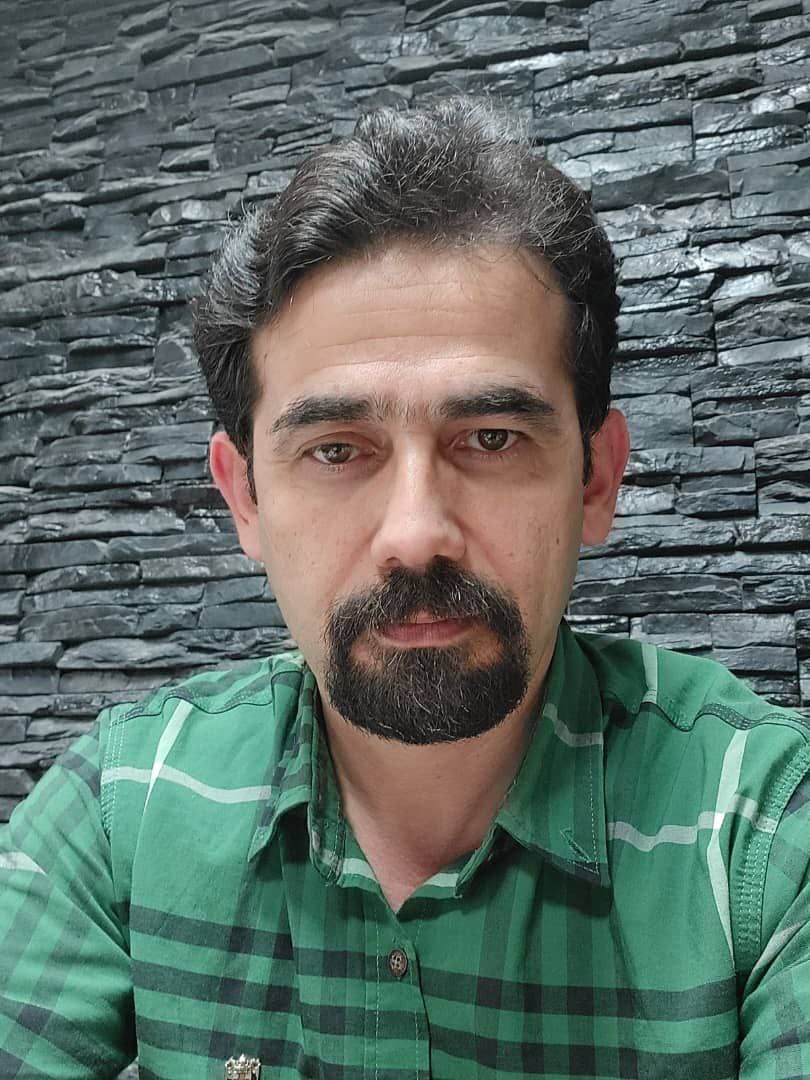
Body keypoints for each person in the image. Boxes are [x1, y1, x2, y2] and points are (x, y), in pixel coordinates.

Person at [1, 98, 808, 1080]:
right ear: (245, 497)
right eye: (338, 450)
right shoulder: (124, 803)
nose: (416, 533)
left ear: (596, 478)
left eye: (492, 438)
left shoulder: (765, 828)